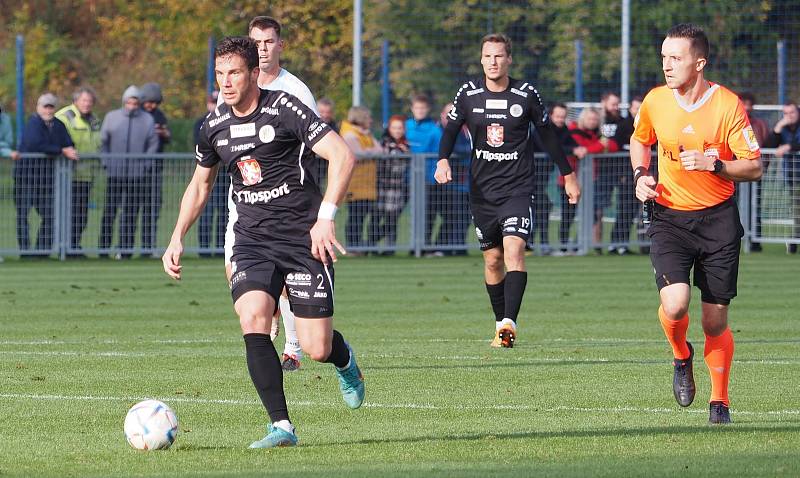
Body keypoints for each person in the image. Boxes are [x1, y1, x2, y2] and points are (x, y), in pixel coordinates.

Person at [162, 36, 363, 448]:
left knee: (316, 347)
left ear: (254, 73)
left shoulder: (285, 109)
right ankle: (282, 427)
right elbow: (200, 186)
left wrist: (325, 218)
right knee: (254, 320)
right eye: (219, 74)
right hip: (251, 241)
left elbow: (342, 156)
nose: (226, 82)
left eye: (234, 72)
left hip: (303, 241)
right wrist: (176, 237)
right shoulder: (213, 126)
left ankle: (345, 361)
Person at [630, 24, 762, 424]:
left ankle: (719, 400)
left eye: (676, 58)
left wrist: (717, 164)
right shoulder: (655, 100)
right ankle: (681, 355)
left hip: (718, 221)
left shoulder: (726, 106)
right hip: (669, 218)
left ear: (699, 62)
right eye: (664, 57)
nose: (667, 66)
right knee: (675, 304)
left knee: (714, 319)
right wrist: (640, 175)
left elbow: (755, 166)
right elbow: (641, 140)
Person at [436, 33, 580, 348]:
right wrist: (442, 160)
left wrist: (568, 175)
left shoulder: (526, 95)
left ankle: (509, 323)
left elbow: (548, 135)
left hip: (517, 187)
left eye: (499, 56)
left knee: (514, 250)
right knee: (492, 259)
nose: (493, 62)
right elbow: (449, 130)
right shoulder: (468, 93)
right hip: (481, 192)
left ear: (509, 59)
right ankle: (499, 322)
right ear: (481, 59)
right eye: (488, 56)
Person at [218, 16, 319, 371]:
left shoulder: (296, 91)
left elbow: (316, 146)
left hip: (287, 205)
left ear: (280, 45)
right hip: (243, 200)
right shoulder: (231, 85)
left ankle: (293, 345)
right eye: (256, 42)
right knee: (233, 270)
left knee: (291, 281)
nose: (262, 48)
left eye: (268, 41)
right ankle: (267, 309)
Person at [98, 85, 159, 258]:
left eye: (135, 102)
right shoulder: (111, 117)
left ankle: (126, 250)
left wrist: (145, 165)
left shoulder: (147, 119)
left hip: (137, 175)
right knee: (109, 211)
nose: (132, 105)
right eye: (129, 102)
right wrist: (107, 163)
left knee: (131, 213)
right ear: (124, 102)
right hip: (115, 173)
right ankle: (103, 249)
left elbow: (152, 143)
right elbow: (103, 142)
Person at [15, 93, 78, 255]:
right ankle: (25, 252)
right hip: (26, 179)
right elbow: (35, 143)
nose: (48, 110)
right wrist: (61, 150)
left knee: (50, 216)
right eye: (45, 106)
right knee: (23, 216)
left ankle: (42, 251)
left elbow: (68, 142)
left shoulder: (58, 125)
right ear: (38, 107)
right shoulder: (33, 123)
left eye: (51, 107)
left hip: (47, 180)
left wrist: (68, 149)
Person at [55, 87, 102, 257]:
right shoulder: (64, 116)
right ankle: (64, 248)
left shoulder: (95, 120)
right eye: (84, 100)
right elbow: (55, 138)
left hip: (86, 175)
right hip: (66, 174)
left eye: (90, 101)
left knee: (81, 214)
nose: (87, 104)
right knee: (66, 213)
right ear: (75, 101)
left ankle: (74, 246)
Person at [406, 94, 444, 255]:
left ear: (427, 109)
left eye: (423, 108)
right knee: (411, 214)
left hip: (428, 179)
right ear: (412, 109)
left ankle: (425, 246)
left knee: (428, 213)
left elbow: (438, 153)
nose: (420, 111)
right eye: (417, 108)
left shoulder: (435, 130)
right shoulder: (406, 125)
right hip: (408, 178)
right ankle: (412, 245)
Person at [340, 106, 382, 252]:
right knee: (356, 216)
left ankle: (363, 245)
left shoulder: (365, 134)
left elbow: (379, 151)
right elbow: (358, 153)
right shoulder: (350, 135)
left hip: (367, 182)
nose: (370, 120)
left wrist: (369, 150)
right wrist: (369, 152)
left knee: (366, 215)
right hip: (355, 182)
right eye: (368, 117)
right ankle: (353, 247)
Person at [598, 92, 635, 255]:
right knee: (597, 209)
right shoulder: (597, 120)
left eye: (617, 104)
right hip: (600, 171)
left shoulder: (623, 122)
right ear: (604, 102)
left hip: (621, 171)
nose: (615, 107)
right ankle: (594, 244)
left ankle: (619, 243)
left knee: (625, 208)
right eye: (613, 104)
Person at [549, 103, 587, 254]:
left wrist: (579, 148)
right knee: (543, 207)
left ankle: (562, 244)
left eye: (563, 117)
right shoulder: (545, 128)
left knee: (568, 211)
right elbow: (552, 147)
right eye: (557, 116)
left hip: (558, 176)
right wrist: (573, 149)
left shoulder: (563, 129)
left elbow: (571, 143)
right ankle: (541, 244)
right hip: (541, 174)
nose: (560, 119)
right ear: (551, 115)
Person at [194, 91, 227, 256]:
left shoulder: (228, 119)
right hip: (209, 172)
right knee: (206, 211)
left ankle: (222, 247)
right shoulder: (202, 122)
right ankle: (204, 248)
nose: (214, 105)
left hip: (225, 176)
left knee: (224, 213)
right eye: (212, 102)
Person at [139, 82, 170, 254]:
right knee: (132, 208)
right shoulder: (138, 114)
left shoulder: (159, 116)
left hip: (155, 170)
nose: (152, 106)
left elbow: (166, 135)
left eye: (155, 103)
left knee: (152, 209)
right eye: (149, 102)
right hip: (137, 170)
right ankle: (124, 248)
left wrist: (164, 134)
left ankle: (148, 246)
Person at [765, 102, 800, 254]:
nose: (789, 116)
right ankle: (793, 241)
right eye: (785, 113)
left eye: (792, 112)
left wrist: (789, 147)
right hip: (794, 176)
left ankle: (793, 240)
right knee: (797, 211)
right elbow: (769, 145)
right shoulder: (783, 128)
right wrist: (778, 128)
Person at [738, 92, 770, 252]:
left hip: (753, 171)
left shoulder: (758, 124)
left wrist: (762, 166)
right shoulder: (735, 122)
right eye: (745, 103)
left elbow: (764, 146)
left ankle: (754, 241)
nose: (748, 107)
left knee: (755, 205)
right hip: (734, 171)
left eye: (750, 104)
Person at [439, 102, 471, 255]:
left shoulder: (466, 129)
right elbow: (453, 148)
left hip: (467, 182)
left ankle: (458, 246)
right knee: (453, 216)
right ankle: (447, 247)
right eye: (448, 113)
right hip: (452, 181)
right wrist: (473, 148)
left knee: (464, 216)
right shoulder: (446, 131)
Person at [375, 114, 410, 254]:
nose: (397, 130)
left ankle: (390, 248)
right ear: (389, 128)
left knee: (392, 219)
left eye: (400, 127)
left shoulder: (406, 145)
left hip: (398, 187)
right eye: (394, 127)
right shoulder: (383, 143)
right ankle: (370, 245)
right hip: (382, 186)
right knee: (377, 217)